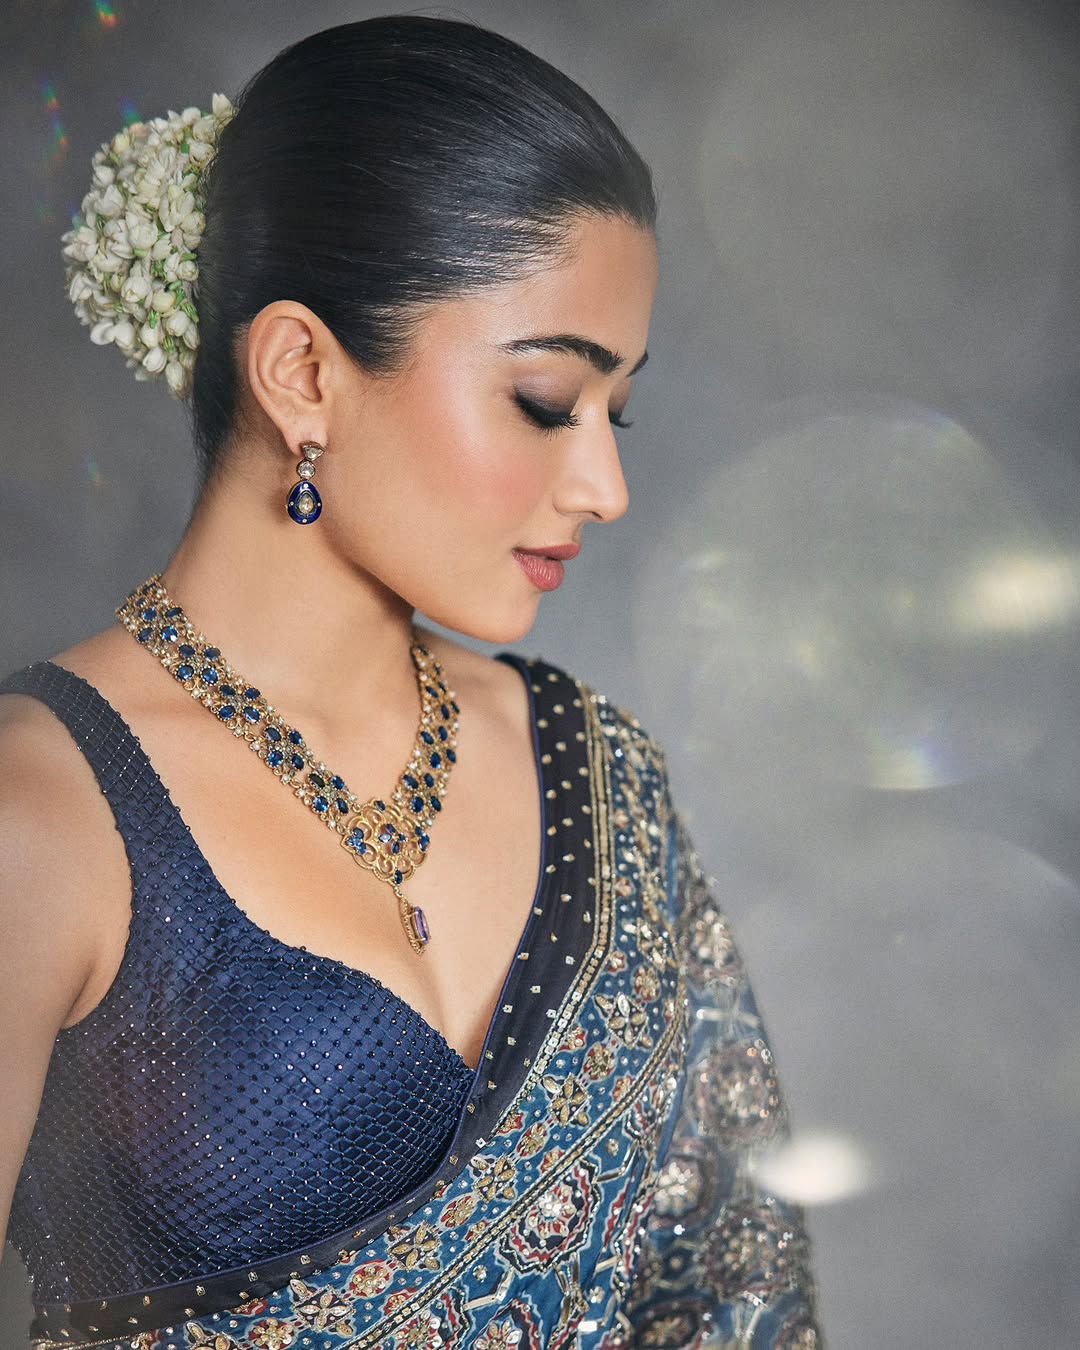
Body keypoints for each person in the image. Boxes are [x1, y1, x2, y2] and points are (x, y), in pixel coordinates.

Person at [0, 15, 823, 1349]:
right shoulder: (42, 815)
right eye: (546, 400)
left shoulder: (600, 772)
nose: (605, 486)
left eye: (619, 411)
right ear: (303, 372)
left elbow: (735, 1287)